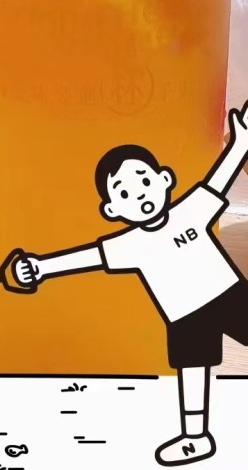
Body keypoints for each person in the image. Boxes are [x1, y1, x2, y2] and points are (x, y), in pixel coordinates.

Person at [13, 102, 248, 466]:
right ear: (111, 210)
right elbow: (87, 257)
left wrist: (241, 144)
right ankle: (195, 436)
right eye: (123, 193)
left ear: (165, 180)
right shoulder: (129, 245)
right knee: (192, 372)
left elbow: (219, 179)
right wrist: (40, 268)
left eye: (144, 181)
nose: (138, 194)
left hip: (227, 294)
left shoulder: (190, 210)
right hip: (185, 315)